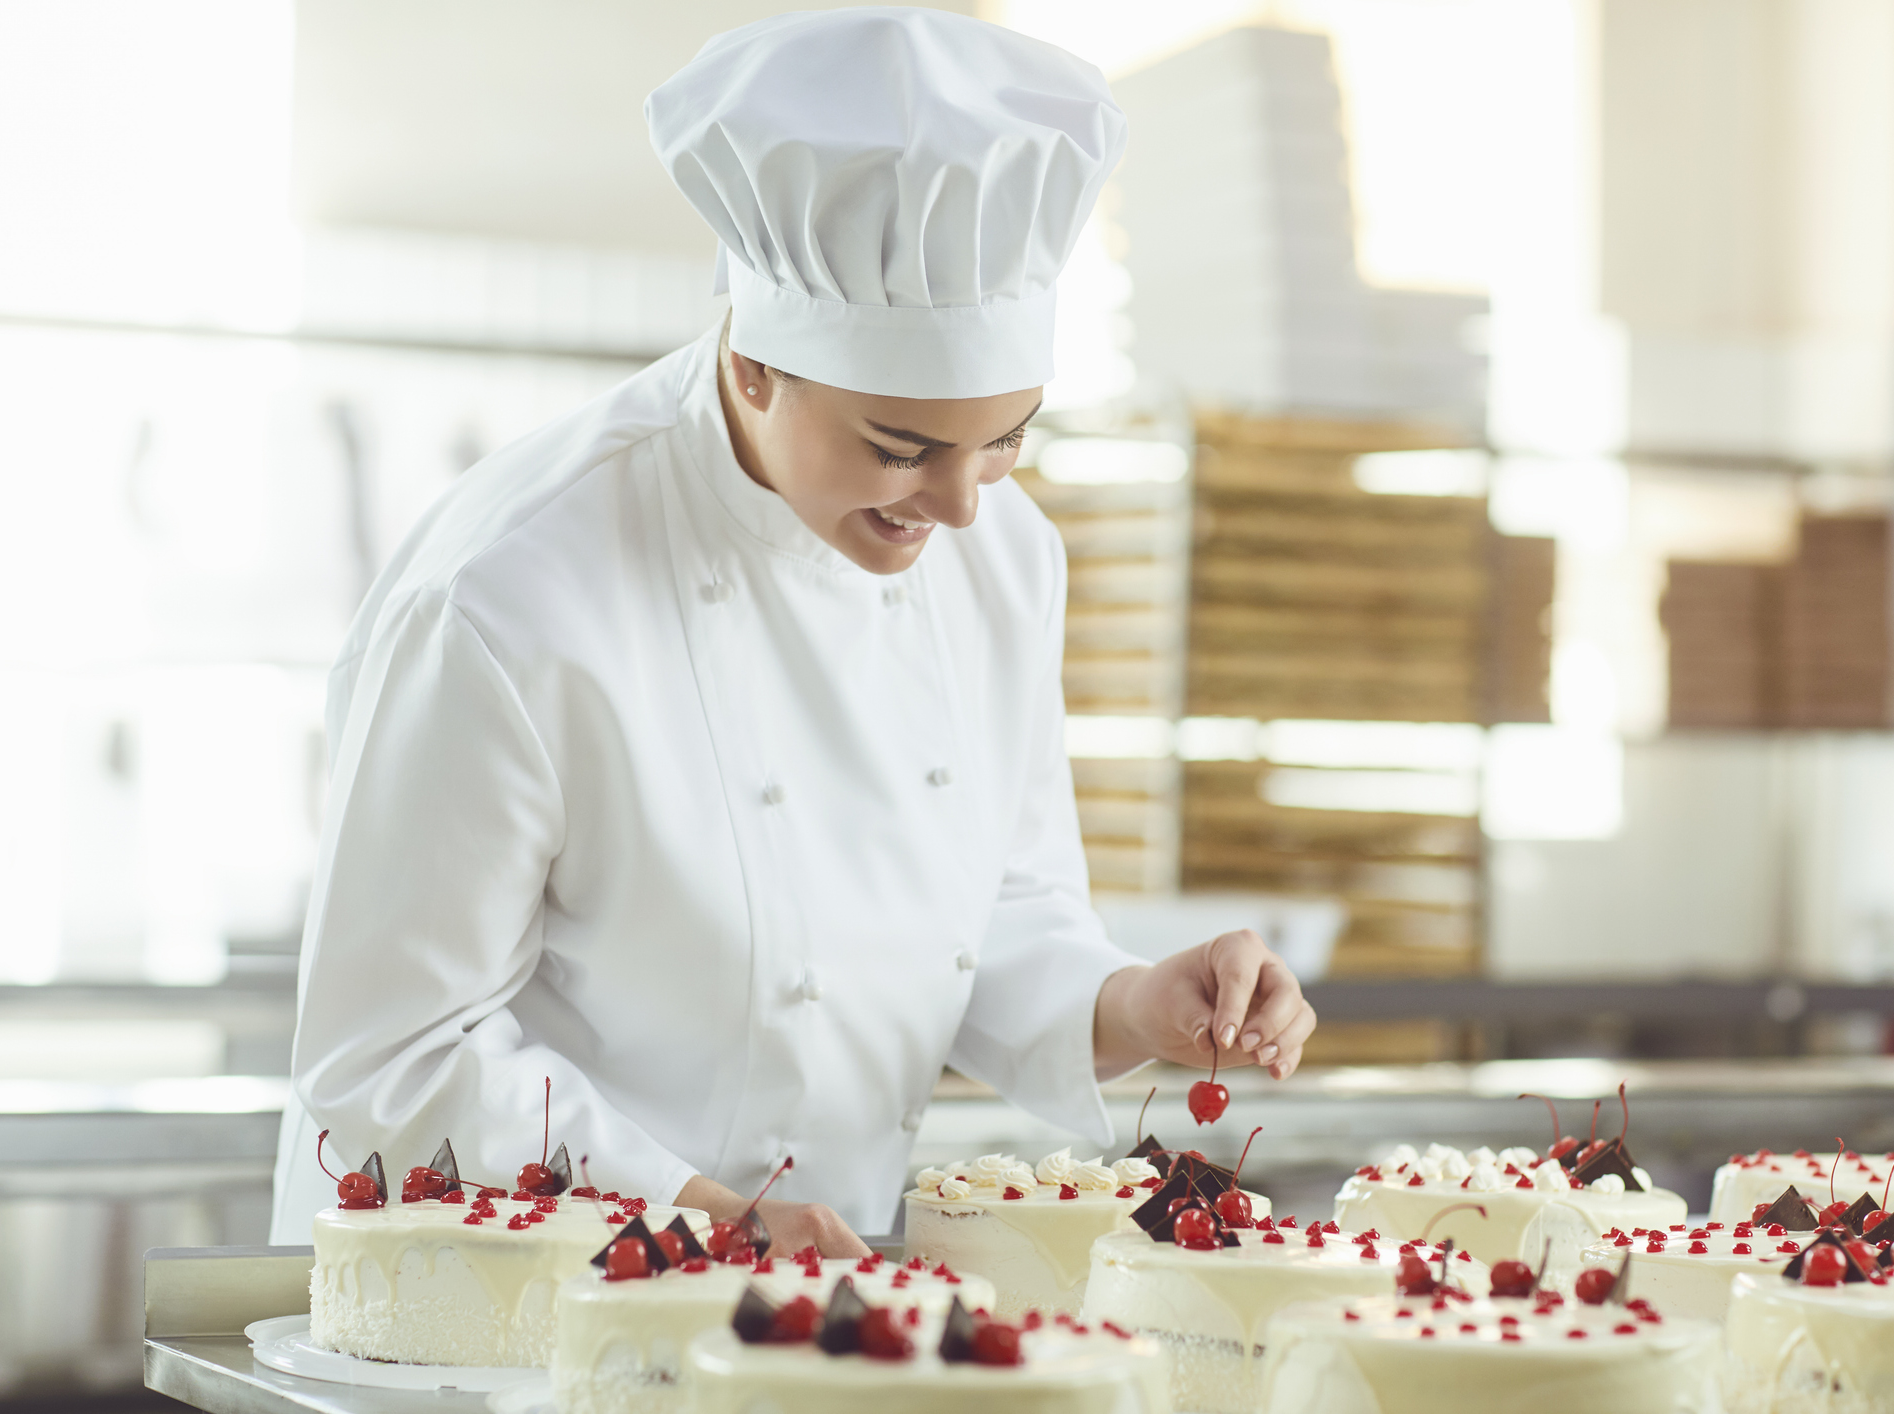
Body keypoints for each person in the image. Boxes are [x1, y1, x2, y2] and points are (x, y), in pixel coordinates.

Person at [270, 7, 1316, 1253]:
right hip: (514, 1301)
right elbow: (392, 1059)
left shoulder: (1007, 557)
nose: (961, 504)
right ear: (756, 364)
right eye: (900, 447)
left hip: (816, 1304)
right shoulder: (513, 596)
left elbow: (991, 918)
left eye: (1006, 436)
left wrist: (1137, 999)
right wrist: (700, 1216)